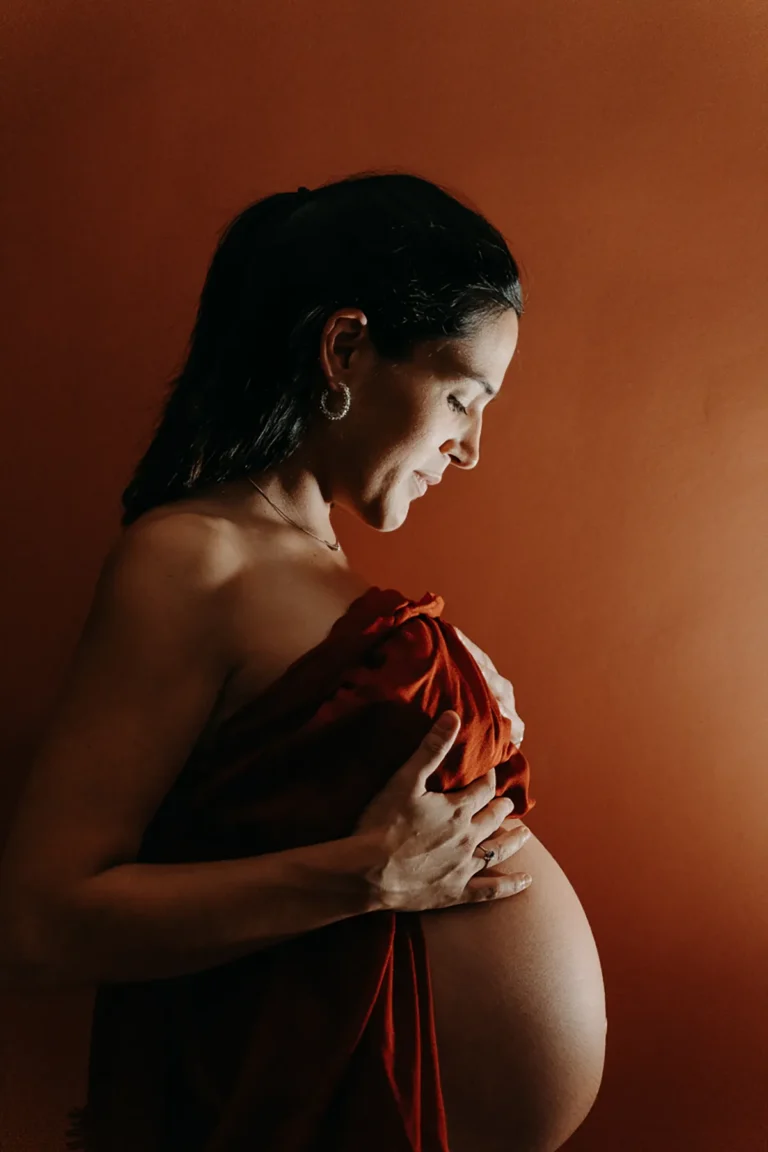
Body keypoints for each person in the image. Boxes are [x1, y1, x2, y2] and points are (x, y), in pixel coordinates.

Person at [0, 172, 606, 1151]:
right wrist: (367, 875)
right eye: (462, 397)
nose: (471, 448)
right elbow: (36, 923)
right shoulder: (189, 557)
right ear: (346, 349)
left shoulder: (301, 565)